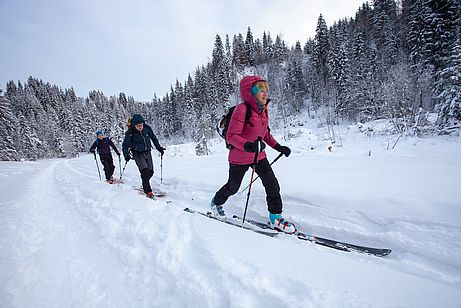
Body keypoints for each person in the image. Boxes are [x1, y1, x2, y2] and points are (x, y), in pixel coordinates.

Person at [211, 75, 295, 233]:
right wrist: (248, 146)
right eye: (259, 89)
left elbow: (265, 135)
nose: (264, 92)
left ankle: (275, 217)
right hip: (239, 157)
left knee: (272, 184)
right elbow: (231, 136)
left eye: (265, 88)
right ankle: (216, 203)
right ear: (249, 93)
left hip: (259, 156)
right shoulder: (241, 110)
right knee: (233, 187)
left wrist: (279, 147)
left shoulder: (264, 111)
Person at [122, 114, 165, 197]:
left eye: (141, 125)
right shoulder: (130, 132)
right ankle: (148, 191)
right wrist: (126, 154)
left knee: (151, 171)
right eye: (138, 126)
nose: (140, 127)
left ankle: (144, 182)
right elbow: (125, 145)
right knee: (144, 171)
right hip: (137, 153)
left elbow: (153, 138)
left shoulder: (147, 128)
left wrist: (159, 147)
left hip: (147, 152)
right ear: (134, 125)